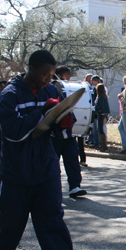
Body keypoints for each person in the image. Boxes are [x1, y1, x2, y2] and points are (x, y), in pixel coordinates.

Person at [0, 50, 80, 250]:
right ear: (31, 69)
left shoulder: (51, 90)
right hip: (16, 169)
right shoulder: (9, 95)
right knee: (11, 219)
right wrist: (41, 113)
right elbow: (13, 131)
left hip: (46, 164)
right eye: (45, 74)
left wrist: (64, 122)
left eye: (51, 75)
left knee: (52, 216)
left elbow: (59, 123)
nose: (48, 79)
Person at [52, 66, 87, 199]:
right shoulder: (51, 88)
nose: (67, 78)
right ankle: (53, 188)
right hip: (53, 134)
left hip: (68, 131)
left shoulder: (65, 88)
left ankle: (75, 186)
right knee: (52, 163)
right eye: (65, 76)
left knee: (72, 160)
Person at [94, 84, 110, 151]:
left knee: (100, 130)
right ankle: (102, 145)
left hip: (101, 115)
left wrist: (96, 109)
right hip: (103, 114)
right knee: (101, 129)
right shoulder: (103, 96)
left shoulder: (101, 96)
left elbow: (100, 106)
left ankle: (104, 145)